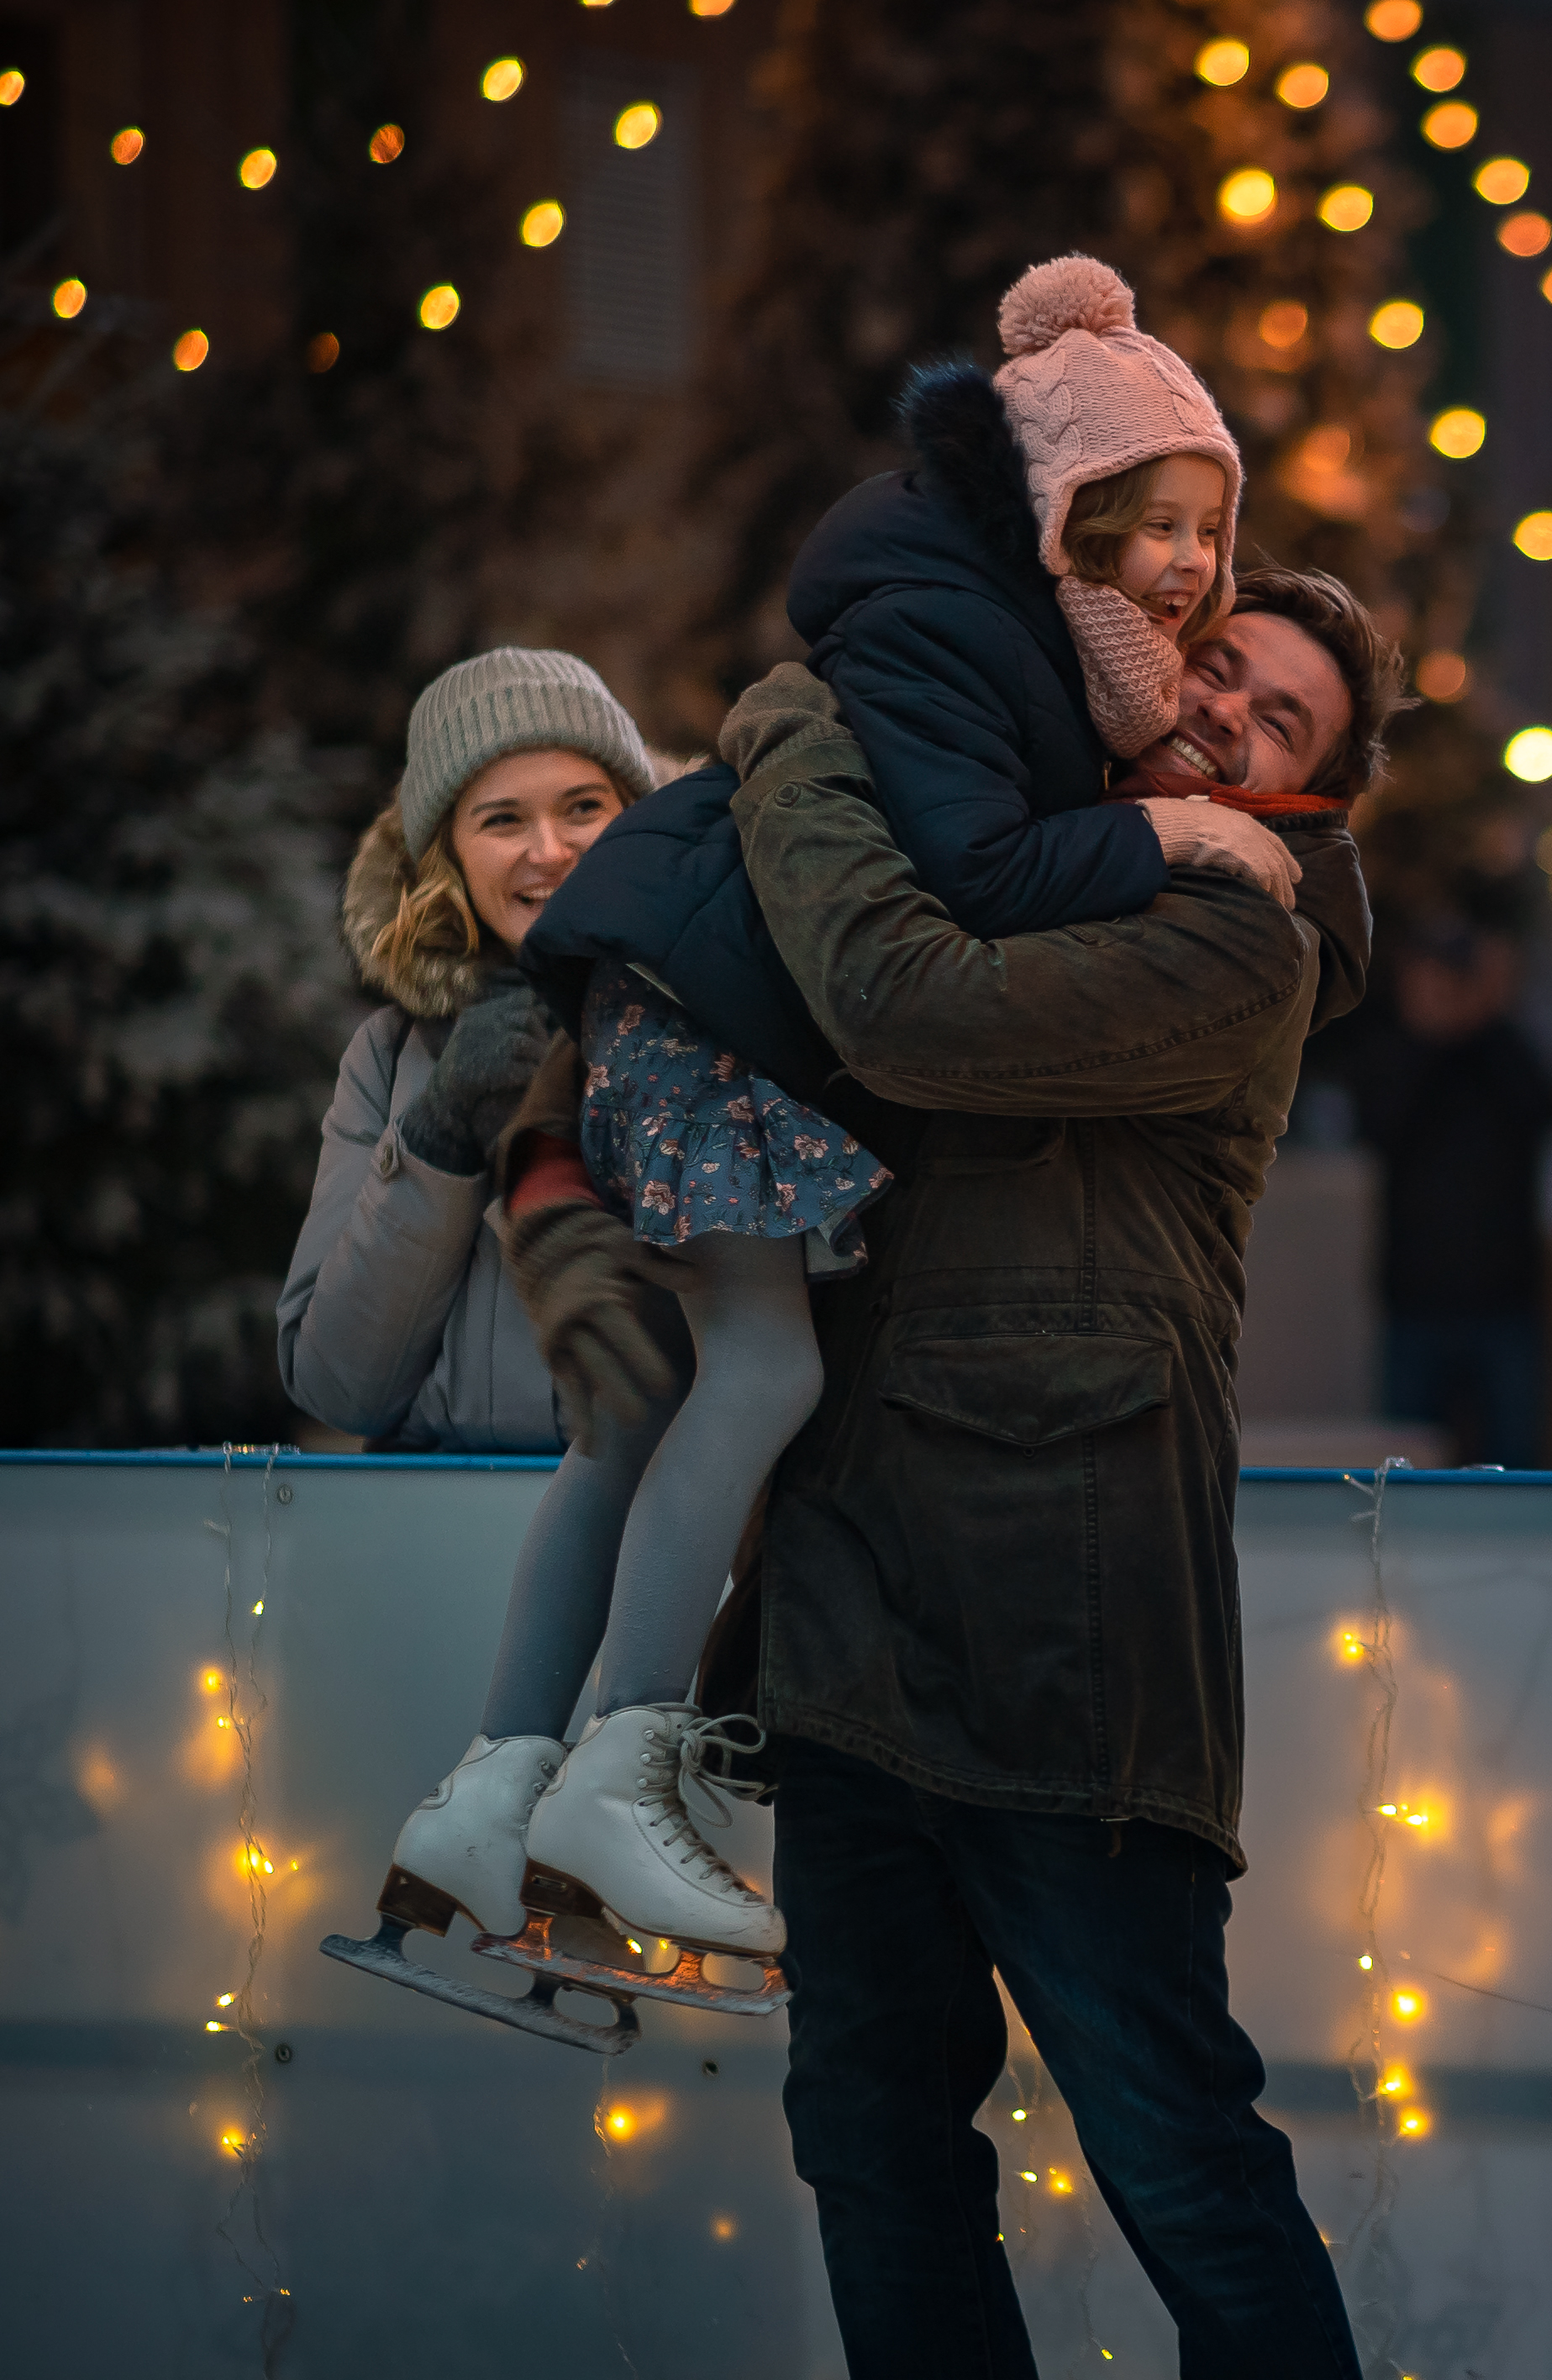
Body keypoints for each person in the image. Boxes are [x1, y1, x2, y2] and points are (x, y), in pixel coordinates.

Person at [352, 255, 1275, 2025]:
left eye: (1205, 530)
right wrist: (1181, 845)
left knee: (647, 1415)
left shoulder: (1008, 630)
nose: (1181, 566)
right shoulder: (956, 628)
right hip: (701, 1026)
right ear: (1052, 509)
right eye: (1143, 522)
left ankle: (487, 1800)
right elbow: (977, 873)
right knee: (763, 1375)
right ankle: (625, 1771)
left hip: (670, 1013)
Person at [510, 561, 1397, 2374]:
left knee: (1168, 2140)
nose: (1227, 708)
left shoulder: (1244, 938)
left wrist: (786, 729)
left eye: (1279, 716)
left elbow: (896, 1001)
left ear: (1307, 791)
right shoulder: (1013, 829)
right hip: (852, 1603)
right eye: (1218, 662)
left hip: (1069, 1618)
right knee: (873, 2140)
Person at [280, 649, 661, 1453]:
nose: (550, 850)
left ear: (637, 816)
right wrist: (440, 1135)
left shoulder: (720, 1023)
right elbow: (340, 1387)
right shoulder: (389, 1058)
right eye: (503, 819)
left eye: (584, 807)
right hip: (431, 1528)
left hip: (661, 1539)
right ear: (447, 853)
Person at [1355, 921, 1552, 1468]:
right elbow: (1379, 1124)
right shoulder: (1393, 1052)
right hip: (1416, 1299)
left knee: (1517, 1464)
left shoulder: (1500, 1053)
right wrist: (1430, 1032)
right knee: (1408, 1468)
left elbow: (1548, 1106)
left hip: (1505, 1298)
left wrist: (1489, 1016)